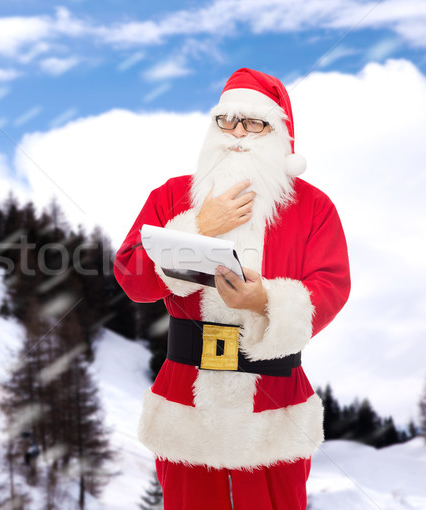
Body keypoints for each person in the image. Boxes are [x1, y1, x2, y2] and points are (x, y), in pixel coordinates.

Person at [113, 68, 351, 509]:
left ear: (279, 132)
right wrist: (200, 227)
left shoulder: (314, 207)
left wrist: (264, 301)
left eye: (255, 122)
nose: (238, 134)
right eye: (228, 121)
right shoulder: (171, 197)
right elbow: (133, 278)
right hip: (188, 407)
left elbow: (332, 286)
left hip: (274, 408)